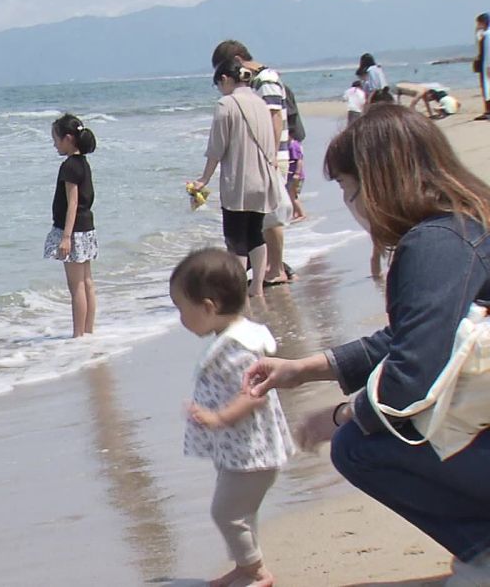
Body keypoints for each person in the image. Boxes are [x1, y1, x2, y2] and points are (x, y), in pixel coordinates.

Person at [244, 104, 490, 584]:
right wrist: (305, 369)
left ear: (377, 181)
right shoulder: (464, 222)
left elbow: (412, 378)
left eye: (346, 187)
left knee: (359, 445)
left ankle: (482, 548)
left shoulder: (434, 245)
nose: (350, 203)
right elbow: (417, 337)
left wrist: (341, 416)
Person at [173, 248, 295, 587]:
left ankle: (256, 572)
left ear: (208, 307)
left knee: (226, 512)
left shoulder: (238, 347)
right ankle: (246, 566)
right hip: (242, 450)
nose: (180, 318)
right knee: (241, 511)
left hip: (252, 452)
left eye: (182, 309)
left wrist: (220, 418)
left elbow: (253, 394)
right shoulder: (232, 337)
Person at [189, 60, 279, 298]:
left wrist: (203, 179)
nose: (219, 89)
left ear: (226, 80)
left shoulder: (225, 104)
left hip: (239, 182)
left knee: (236, 238)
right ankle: (257, 286)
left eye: (218, 84)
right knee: (255, 233)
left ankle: (238, 290)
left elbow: (216, 148)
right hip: (264, 179)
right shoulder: (260, 103)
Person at [211, 41, 292, 287]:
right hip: (267, 157)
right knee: (262, 220)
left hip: (270, 158)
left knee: (270, 217)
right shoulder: (258, 81)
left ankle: (276, 268)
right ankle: (270, 267)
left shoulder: (265, 80)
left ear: (238, 59)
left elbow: (273, 117)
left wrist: (271, 157)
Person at [43, 113, 99, 336]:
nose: (54, 144)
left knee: (76, 287)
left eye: (55, 139)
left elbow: (72, 203)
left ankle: (78, 335)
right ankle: (88, 332)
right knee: (87, 283)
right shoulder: (83, 164)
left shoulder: (69, 166)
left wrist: (66, 237)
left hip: (74, 231)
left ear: (67, 139)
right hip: (86, 228)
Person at [287, 137, 306, 222]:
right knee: (291, 195)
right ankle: (295, 213)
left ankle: (302, 214)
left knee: (293, 195)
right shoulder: (290, 145)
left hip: (296, 176)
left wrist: (297, 173)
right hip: (291, 175)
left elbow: (299, 160)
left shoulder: (294, 145)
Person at [476, 13, 489, 121]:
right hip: (485, 64)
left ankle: (488, 111)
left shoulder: (486, 35)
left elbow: (484, 51)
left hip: (486, 65)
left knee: (486, 88)